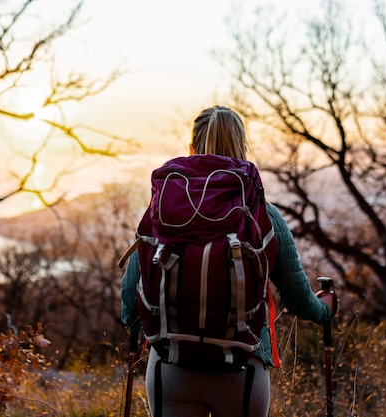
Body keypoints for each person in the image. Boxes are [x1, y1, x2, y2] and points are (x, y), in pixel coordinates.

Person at [121, 105, 338, 417]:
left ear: (192, 147)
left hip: (170, 368)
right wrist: (326, 309)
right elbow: (300, 301)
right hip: (242, 371)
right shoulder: (264, 215)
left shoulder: (163, 213)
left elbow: (130, 302)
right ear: (242, 147)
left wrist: (163, 330)